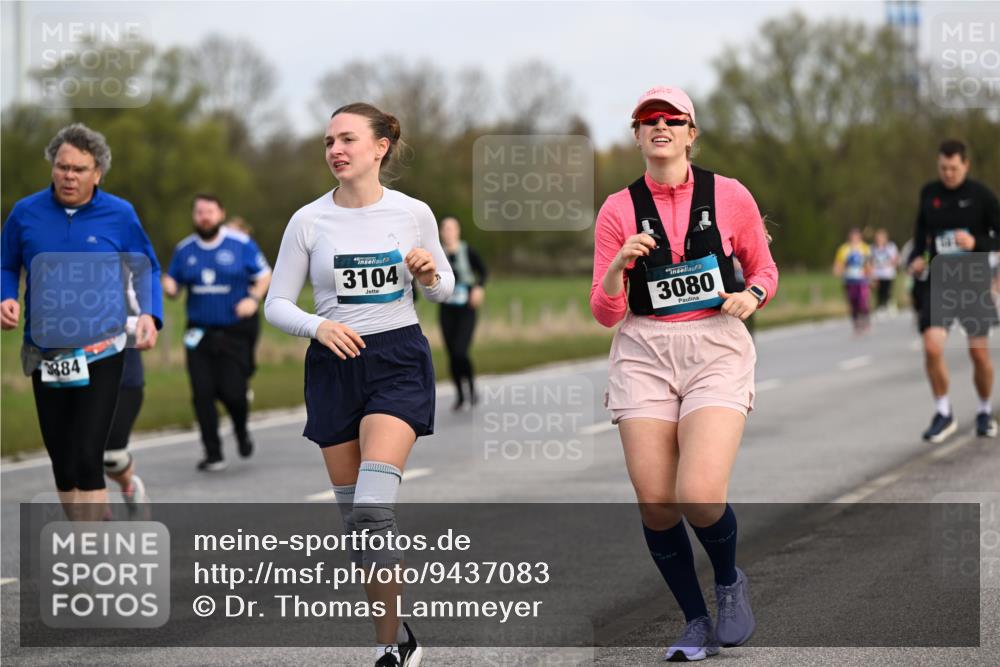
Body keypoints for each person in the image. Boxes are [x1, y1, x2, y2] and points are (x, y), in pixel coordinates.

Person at [590, 87, 778, 661]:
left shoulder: (730, 195)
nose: (660, 126)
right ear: (637, 134)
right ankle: (694, 621)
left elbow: (763, 267)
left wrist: (752, 295)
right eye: (648, 120)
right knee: (656, 501)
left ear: (691, 132)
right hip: (643, 349)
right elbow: (604, 313)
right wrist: (620, 264)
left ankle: (727, 582)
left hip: (714, 345)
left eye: (672, 119)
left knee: (697, 493)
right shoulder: (617, 209)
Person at [265, 102, 454, 667]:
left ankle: (384, 653)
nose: (335, 150)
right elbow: (276, 302)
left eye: (347, 139)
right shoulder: (308, 221)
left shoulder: (413, 212)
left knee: (373, 511)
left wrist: (427, 276)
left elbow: (444, 288)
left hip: (397, 360)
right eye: (328, 142)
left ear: (381, 147)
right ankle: (400, 634)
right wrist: (318, 326)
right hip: (333, 366)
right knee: (357, 524)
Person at [0, 123, 162, 520]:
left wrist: (150, 314)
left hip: (102, 349)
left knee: (90, 453)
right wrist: (5, 295)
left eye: (79, 169)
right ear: (53, 167)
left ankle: (89, 553)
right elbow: (6, 264)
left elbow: (148, 269)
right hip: (47, 350)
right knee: (63, 459)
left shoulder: (119, 214)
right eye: (62, 167)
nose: (69, 176)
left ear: (97, 173)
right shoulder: (26, 213)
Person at [162, 194, 272, 471]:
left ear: (221, 213)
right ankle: (213, 453)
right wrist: (168, 286)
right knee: (202, 393)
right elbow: (174, 285)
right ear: (194, 216)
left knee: (233, 393)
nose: (204, 216)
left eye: (210, 211)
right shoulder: (184, 250)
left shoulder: (240, 244)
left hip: (233, 330)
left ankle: (241, 429)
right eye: (199, 212)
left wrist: (254, 298)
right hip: (198, 332)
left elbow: (264, 274)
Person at [907, 139, 1000, 443]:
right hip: (939, 280)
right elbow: (920, 236)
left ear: (966, 165)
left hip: (973, 280)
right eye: (943, 168)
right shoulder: (929, 194)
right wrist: (915, 260)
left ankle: (985, 411)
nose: (948, 173)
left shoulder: (981, 196)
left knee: (978, 353)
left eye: (954, 168)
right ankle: (943, 412)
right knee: (932, 347)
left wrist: (977, 244)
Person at [438, 215, 488, 410]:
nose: (448, 232)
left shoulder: (467, 251)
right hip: (447, 307)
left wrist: (478, 287)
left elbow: (483, 271)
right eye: (445, 229)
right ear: (441, 233)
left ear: (457, 231)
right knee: (451, 353)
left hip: (466, 307)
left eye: (452, 228)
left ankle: (472, 388)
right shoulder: (438, 254)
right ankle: (459, 395)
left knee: (461, 351)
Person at [226, 216, 263, 386]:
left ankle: (243, 386)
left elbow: (265, 281)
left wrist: (253, 296)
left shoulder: (251, 255)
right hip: (225, 316)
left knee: (246, 360)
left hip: (247, 318)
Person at [832, 228, 872, 334]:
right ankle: (856, 322)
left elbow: (869, 264)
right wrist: (837, 270)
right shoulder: (844, 249)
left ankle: (865, 319)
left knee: (863, 301)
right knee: (853, 302)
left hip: (862, 280)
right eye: (852, 237)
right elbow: (839, 263)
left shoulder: (865, 248)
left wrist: (870, 275)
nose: (854, 239)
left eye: (856, 236)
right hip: (849, 280)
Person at [870, 229, 899, 315]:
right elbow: (870, 260)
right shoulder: (872, 248)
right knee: (879, 291)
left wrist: (890, 263)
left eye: (881, 237)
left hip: (888, 273)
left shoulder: (891, 246)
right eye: (878, 238)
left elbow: (896, 258)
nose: (879, 239)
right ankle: (880, 307)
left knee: (887, 290)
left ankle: (889, 304)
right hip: (877, 274)